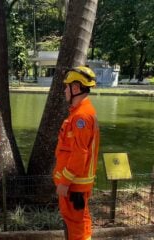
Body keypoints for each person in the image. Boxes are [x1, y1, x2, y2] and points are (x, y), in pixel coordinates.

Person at [53, 66, 100, 240]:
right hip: (75, 183)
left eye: (67, 86)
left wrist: (65, 181)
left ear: (76, 88)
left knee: (76, 226)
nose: (65, 90)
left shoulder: (81, 117)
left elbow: (80, 153)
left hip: (74, 185)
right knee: (80, 223)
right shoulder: (80, 114)